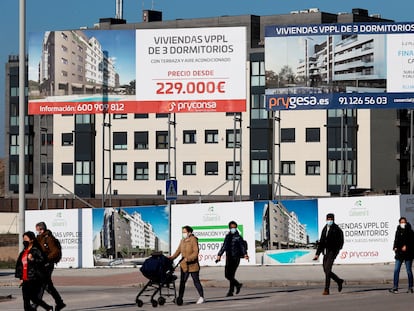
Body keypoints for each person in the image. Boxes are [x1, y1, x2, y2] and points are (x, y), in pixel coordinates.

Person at [15, 231, 53, 311]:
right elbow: (20, 266)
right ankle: (48, 308)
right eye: (23, 239)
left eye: (26, 239)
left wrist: (33, 259)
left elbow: (43, 261)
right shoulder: (23, 252)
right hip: (25, 278)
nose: (24, 241)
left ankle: (47, 308)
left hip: (34, 277)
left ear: (31, 240)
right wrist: (21, 278)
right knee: (26, 299)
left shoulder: (36, 250)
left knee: (32, 297)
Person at [170, 225, 204, 305]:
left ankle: (202, 297)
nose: (183, 234)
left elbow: (196, 252)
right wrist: (172, 257)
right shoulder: (182, 240)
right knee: (182, 282)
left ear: (189, 233)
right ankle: (180, 298)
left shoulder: (193, 240)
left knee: (196, 281)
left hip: (193, 265)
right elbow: (178, 250)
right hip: (184, 265)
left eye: (185, 232)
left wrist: (188, 258)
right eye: (183, 232)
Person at [36, 222, 66, 311]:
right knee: (47, 286)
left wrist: (46, 259)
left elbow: (55, 251)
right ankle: (59, 303)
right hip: (42, 264)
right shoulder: (39, 238)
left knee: (42, 284)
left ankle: (34, 305)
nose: (37, 232)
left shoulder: (49, 238)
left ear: (42, 229)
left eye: (38, 230)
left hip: (48, 265)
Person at [313, 213, 344, 295]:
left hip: (332, 252)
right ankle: (339, 281)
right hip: (325, 252)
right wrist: (317, 254)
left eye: (331, 219)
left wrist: (336, 251)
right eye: (328, 219)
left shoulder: (337, 229)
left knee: (327, 270)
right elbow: (321, 242)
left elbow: (341, 242)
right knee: (325, 270)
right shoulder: (324, 229)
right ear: (326, 219)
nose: (329, 220)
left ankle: (326, 290)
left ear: (333, 220)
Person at [216, 220, 249, 297]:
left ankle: (231, 291)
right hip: (228, 258)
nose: (233, 229)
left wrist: (245, 254)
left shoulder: (238, 237)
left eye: (234, 227)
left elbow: (242, 247)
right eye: (231, 227)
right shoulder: (227, 237)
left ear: (236, 228)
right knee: (227, 275)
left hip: (236, 258)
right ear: (229, 228)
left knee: (231, 275)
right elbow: (224, 246)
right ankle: (237, 285)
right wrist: (219, 255)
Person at [389, 217, 414, 293]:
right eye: (401, 222)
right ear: (399, 223)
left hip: (408, 254)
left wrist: (406, 245)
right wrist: (395, 247)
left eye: (404, 222)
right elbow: (396, 239)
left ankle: (410, 287)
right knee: (396, 270)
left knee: (409, 271)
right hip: (399, 254)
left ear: (406, 222)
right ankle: (395, 287)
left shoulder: (410, 231)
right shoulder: (398, 230)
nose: (402, 223)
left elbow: (412, 242)